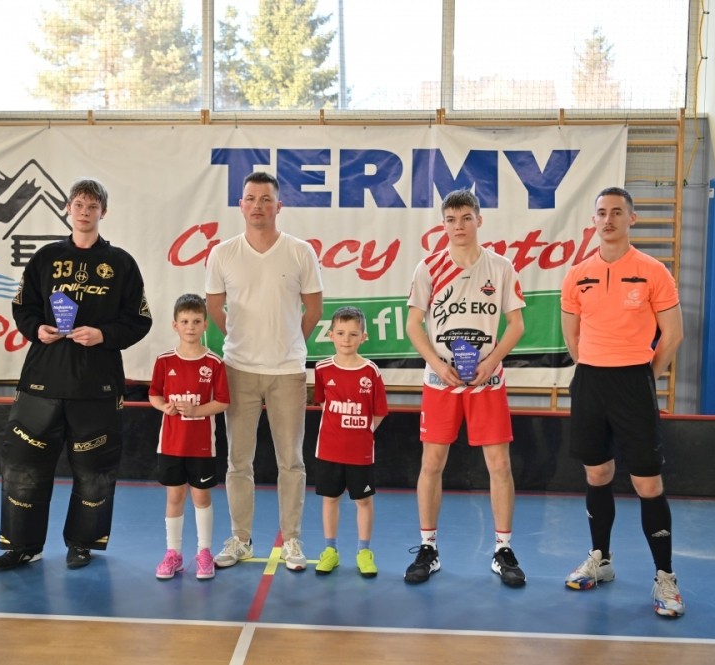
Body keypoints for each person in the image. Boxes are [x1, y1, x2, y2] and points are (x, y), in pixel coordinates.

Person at [0, 178, 152, 571]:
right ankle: (23, 546)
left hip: (97, 387)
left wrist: (103, 335)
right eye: (78, 204)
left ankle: (82, 544)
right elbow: (23, 308)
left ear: (103, 212)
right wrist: (36, 329)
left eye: (92, 206)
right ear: (67, 208)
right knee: (23, 468)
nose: (84, 212)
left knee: (95, 473)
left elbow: (139, 321)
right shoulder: (46, 257)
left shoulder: (121, 263)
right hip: (41, 382)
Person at [560, 186, 686, 618]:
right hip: (591, 382)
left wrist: (644, 377)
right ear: (593, 220)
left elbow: (673, 335)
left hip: (634, 381)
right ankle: (601, 559)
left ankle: (665, 577)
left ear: (632, 219)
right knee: (597, 473)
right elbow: (572, 335)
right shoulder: (577, 274)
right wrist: (594, 367)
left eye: (617, 212)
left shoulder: (653, 271)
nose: (608, 219)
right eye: (601, 212)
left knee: (647, 483)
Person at [403, 189, 527, 587]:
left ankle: (503, 549)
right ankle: (428, 548)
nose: (458, 226)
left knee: (500, 465)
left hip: (487, 382)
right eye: (451, 220)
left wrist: (491, 361)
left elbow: (517, 325)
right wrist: (437, 363)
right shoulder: (429, 267)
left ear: (479, 220)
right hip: (441, 382)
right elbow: (413, 325)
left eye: (466, 218)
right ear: (443, 224)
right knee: (432, 463)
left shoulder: (501, 267)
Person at [205, 170, 324, 572]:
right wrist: (242, 339)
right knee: (238, 461)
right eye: (251, 198)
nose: (258, 205)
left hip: (287, 371)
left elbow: (314, 309)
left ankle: (292, 540)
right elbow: (214, 306)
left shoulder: (300, 252)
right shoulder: (223, 253)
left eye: (266, 199)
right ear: (241, 205)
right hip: (238, 369)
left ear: (279, 206)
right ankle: (240, 539)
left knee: (291, 461)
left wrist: (289, 343)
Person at [148, 294, 230, 580]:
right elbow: (154, 394)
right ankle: (173, 553)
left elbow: (222, 402)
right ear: (175, 325)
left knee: (201, 497)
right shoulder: (164, 361)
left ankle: (204, 552)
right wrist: (164, 406)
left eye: (196, 321)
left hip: (202, 446)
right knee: (174, 496)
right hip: (171, 444)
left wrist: (196, 411)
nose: (190, 327)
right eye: (185, 321)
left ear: (205, 324)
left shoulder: (214, 363)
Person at [312, 306, 388, 577]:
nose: (346, 339)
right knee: (330, 499)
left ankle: (364, 551)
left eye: (353, 334)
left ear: (363, 337)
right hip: (329, 450)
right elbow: (322, 403)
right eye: (341, 333)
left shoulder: (371, 371)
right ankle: (330, 550)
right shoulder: (322, 369)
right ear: (330, 335)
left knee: (363, 501)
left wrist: (362, 431)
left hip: (360, 452)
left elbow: (379, 411)